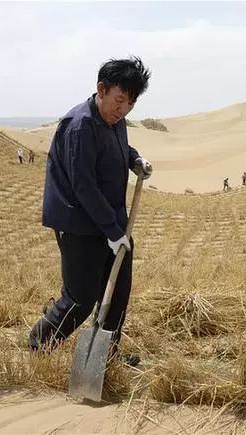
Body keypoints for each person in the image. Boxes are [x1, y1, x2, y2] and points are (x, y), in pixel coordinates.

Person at [28, 57, 153, 367]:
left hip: (110, 221)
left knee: (117, 295)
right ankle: (37, 346)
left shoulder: (115, 119)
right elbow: (83, 186)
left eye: (130, 104)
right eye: (119, 100)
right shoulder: (80, 125)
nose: (123, 109)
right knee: (80, 297)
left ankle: (103, 357)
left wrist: (135, 160)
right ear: (101, 89)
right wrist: (112, 233)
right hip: (79, 224)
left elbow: (117, 148)